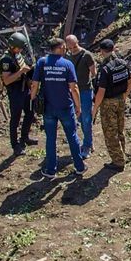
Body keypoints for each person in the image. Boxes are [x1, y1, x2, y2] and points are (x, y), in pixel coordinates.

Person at [30, 38, 85, 178]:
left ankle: (50, 170)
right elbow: (74, 88)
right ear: (60, 47)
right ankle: (79, 167)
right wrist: (78, 106)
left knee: (50, 139)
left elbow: (34, 84)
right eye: (65, 47)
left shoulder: (42, 62)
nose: (66, 49)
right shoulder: (67, 64)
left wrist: (33, 101)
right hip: (65, 107)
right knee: (72, 136)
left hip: (48, 108)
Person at [92, 39, 131, 171]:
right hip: (121, 99)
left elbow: (100, 92)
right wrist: (123, 97)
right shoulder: (122, 63)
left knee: (110, 133)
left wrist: (95, 109)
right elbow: (130, 83)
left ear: (101, 51)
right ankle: (121, 155)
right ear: (113, 48)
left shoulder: (105, 69)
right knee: (120, 130)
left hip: (108, 103)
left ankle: (118, 162)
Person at [0, 32, 36, 153]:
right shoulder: (6, 60)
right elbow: (7, 80)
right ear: (12, 46)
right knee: (15, 118)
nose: (20, 50)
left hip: (24, 88)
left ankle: (24, 137)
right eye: (18, 47)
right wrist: (21, 72)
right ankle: (15, 144)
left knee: (30, 113)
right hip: (15, 91)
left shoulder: (18, 55)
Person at [64, 35, 97, 159]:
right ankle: (87, 142)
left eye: (74, 46)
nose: (72, 49)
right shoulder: (67, 56)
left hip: (85, 90)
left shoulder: (86, 55)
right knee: (77, 118)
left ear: (78, 42)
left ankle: (87, 144)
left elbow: (94, 73)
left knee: (86, 119)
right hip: (72, 91)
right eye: (70, 47)